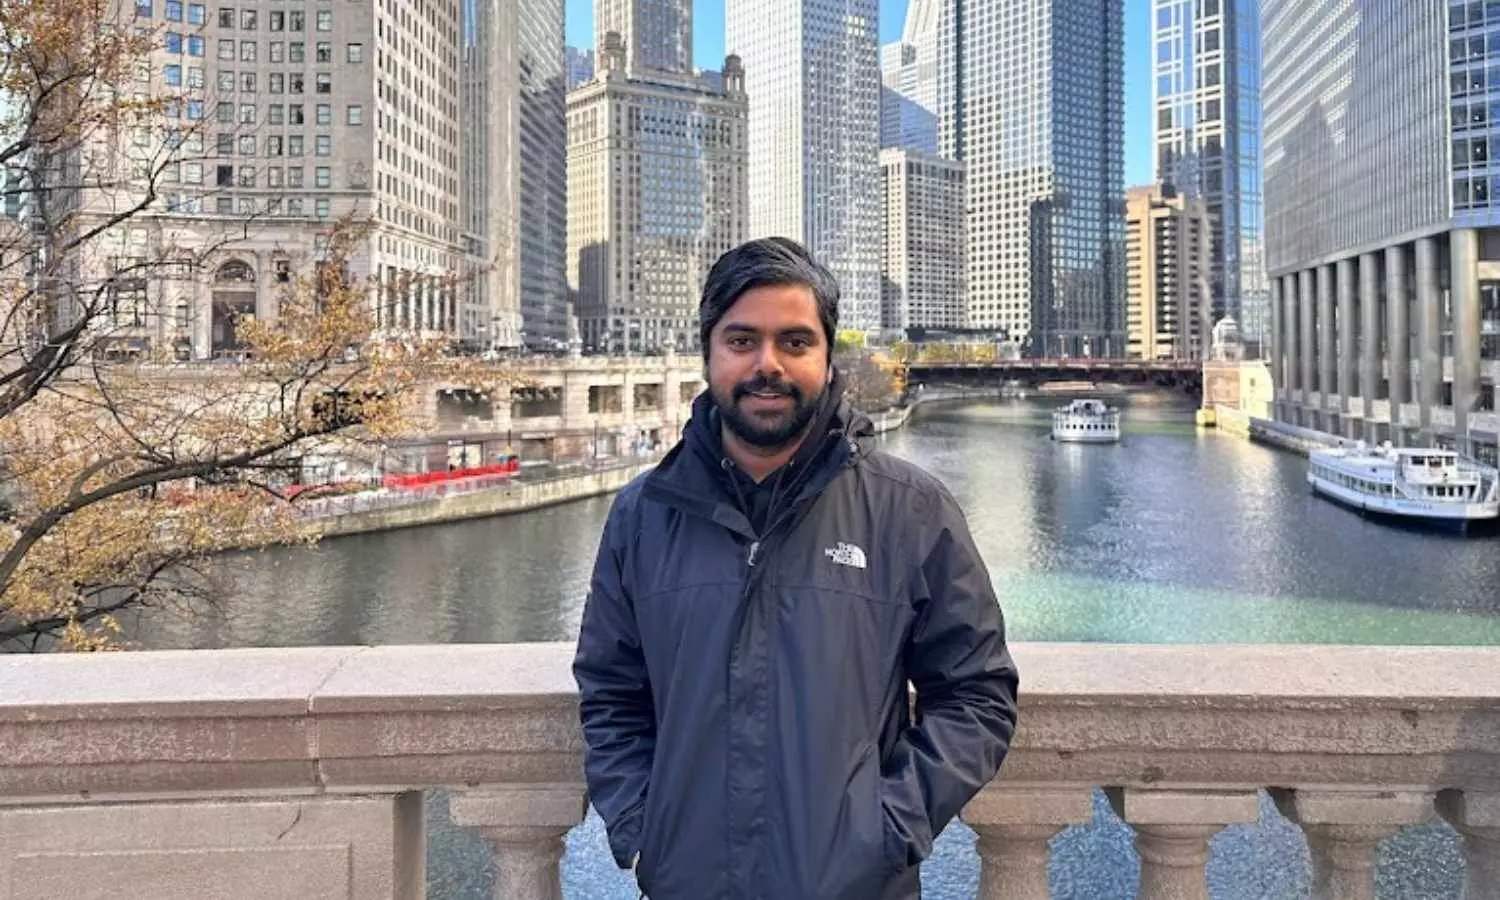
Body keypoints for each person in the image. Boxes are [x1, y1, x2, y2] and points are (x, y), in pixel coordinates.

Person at [572, 237, 1019, 900]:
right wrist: (645, 828)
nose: (767, 364)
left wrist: (885, 832)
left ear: (827, 357)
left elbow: (977, 695)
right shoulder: (642, 516)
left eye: (795, 341)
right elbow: (611, 693)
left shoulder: (911, 509)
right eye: (742, 340)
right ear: (708, 352)